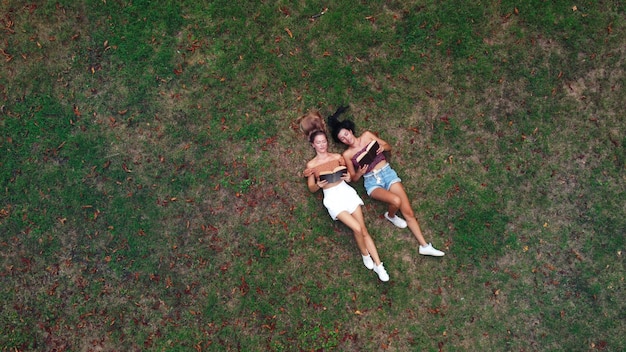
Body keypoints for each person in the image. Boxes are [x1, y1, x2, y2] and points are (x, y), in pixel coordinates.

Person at [327, 107, 445, 257]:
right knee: (396, 201)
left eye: (346, 134)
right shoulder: (347, 154)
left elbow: (388, 146)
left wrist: (382, 147)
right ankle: (390, 215)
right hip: (371, 182)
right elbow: (354, 179)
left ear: (350, 130)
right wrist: (360, 172)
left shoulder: (367, 136)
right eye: (342, 139)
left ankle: (424, 246)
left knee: (408, 211)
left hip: (387, 173)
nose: (346, 138)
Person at [299, 110, 390, 282]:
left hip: (346, 191)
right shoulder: (311, 165)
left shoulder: (338, 157)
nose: (322, 145)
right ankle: (365, 254)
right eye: (318, 143)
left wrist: (348, 177)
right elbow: (311, 188)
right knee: (356, 228)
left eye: (324, 142)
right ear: (313, 145)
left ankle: (379, 265)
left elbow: (350, 175)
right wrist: (318, 185)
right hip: (332, 198)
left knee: (363, 229)